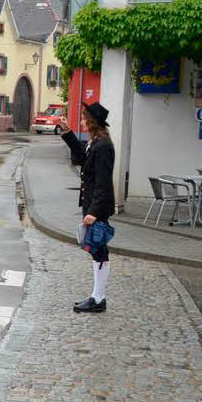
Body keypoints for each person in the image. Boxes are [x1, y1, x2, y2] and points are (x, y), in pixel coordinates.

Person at [60, 103, 116, 314]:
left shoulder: (103, 146)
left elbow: (103, 182)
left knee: (99, 250)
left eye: (84, 119)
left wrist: (93, 211)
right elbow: (82, 157)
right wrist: (67, 132)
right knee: (96, 251)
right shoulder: (96, 143)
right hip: (93, 204)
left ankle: (98, 298)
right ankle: (97, 296)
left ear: (92, 122)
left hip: (97, 206)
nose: (81, 121)